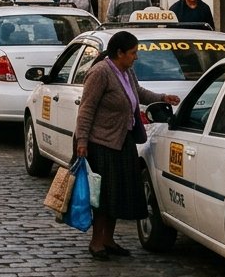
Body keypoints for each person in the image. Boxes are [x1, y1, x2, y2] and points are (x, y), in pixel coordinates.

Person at [74, 30, 180, 260]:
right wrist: (82, 141)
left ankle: (109, 240)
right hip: (102, 143)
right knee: (102, 197)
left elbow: (138, 93)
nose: (136, 57)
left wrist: (162, 97)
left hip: (124, 140)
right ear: (119, 53)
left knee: (117, 195)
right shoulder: (100, 73)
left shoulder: (126, 71)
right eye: (133, 53)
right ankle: (96, 242)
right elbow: (87, 109)